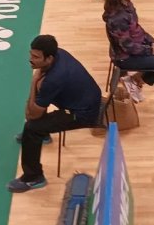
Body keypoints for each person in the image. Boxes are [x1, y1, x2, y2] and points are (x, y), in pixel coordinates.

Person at [9, 35, 102, 193]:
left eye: (36, 57)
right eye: (31, 54)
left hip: (83, 113)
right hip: (80, 98)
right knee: (42, 96)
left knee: (31, 128)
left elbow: (32, 115)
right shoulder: (59, 54)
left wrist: (34, 84)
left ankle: (34, 177)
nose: (30, 59)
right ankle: (44, 133)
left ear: (49, 58)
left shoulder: (54, 79)